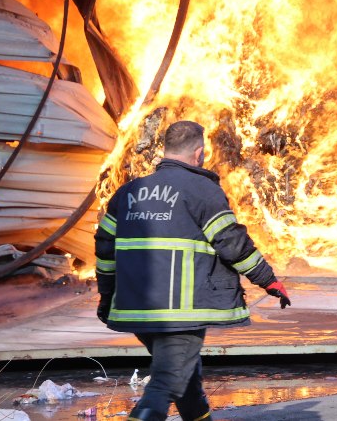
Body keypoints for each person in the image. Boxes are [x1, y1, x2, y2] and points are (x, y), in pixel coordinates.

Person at [94, 120, 291, 421]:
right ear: (199, 153)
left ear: (165, 150)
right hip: (182, 312)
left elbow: (105, 251)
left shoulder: (127, 193)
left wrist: (107, 298)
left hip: (136, 309)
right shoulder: (203, 190)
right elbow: (232, 243)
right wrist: (268, 280)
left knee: (184, 378)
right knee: (166, 381)